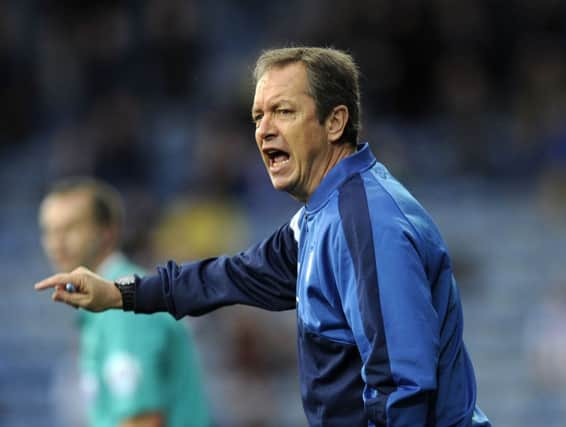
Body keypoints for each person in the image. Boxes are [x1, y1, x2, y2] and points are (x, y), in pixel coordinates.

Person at [36, 47, 491, 426]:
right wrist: (122, 293)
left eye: (283, 112)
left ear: (335, 123)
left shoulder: (366, 223)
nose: (264, 130)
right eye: (257, 116)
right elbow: (233, 276)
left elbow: (402, 387)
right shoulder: (323, 215)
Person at [38, 177, 211, 427]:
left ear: (107, 232)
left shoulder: (119, 307)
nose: (57, 242)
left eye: (71, 228)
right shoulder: (118, 297)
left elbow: (142, 420)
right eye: (49, 230)